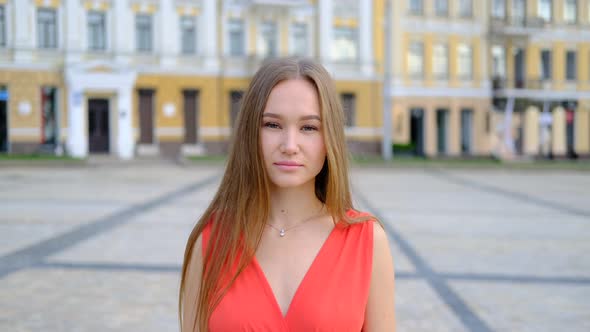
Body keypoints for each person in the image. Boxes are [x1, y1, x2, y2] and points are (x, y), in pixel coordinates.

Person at [179, 58, 396, 331]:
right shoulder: (211, 241)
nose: (290, 145)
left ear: (330, 140)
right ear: (249, 134)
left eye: (309, 127)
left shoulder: (367, 240)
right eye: (272, 125)